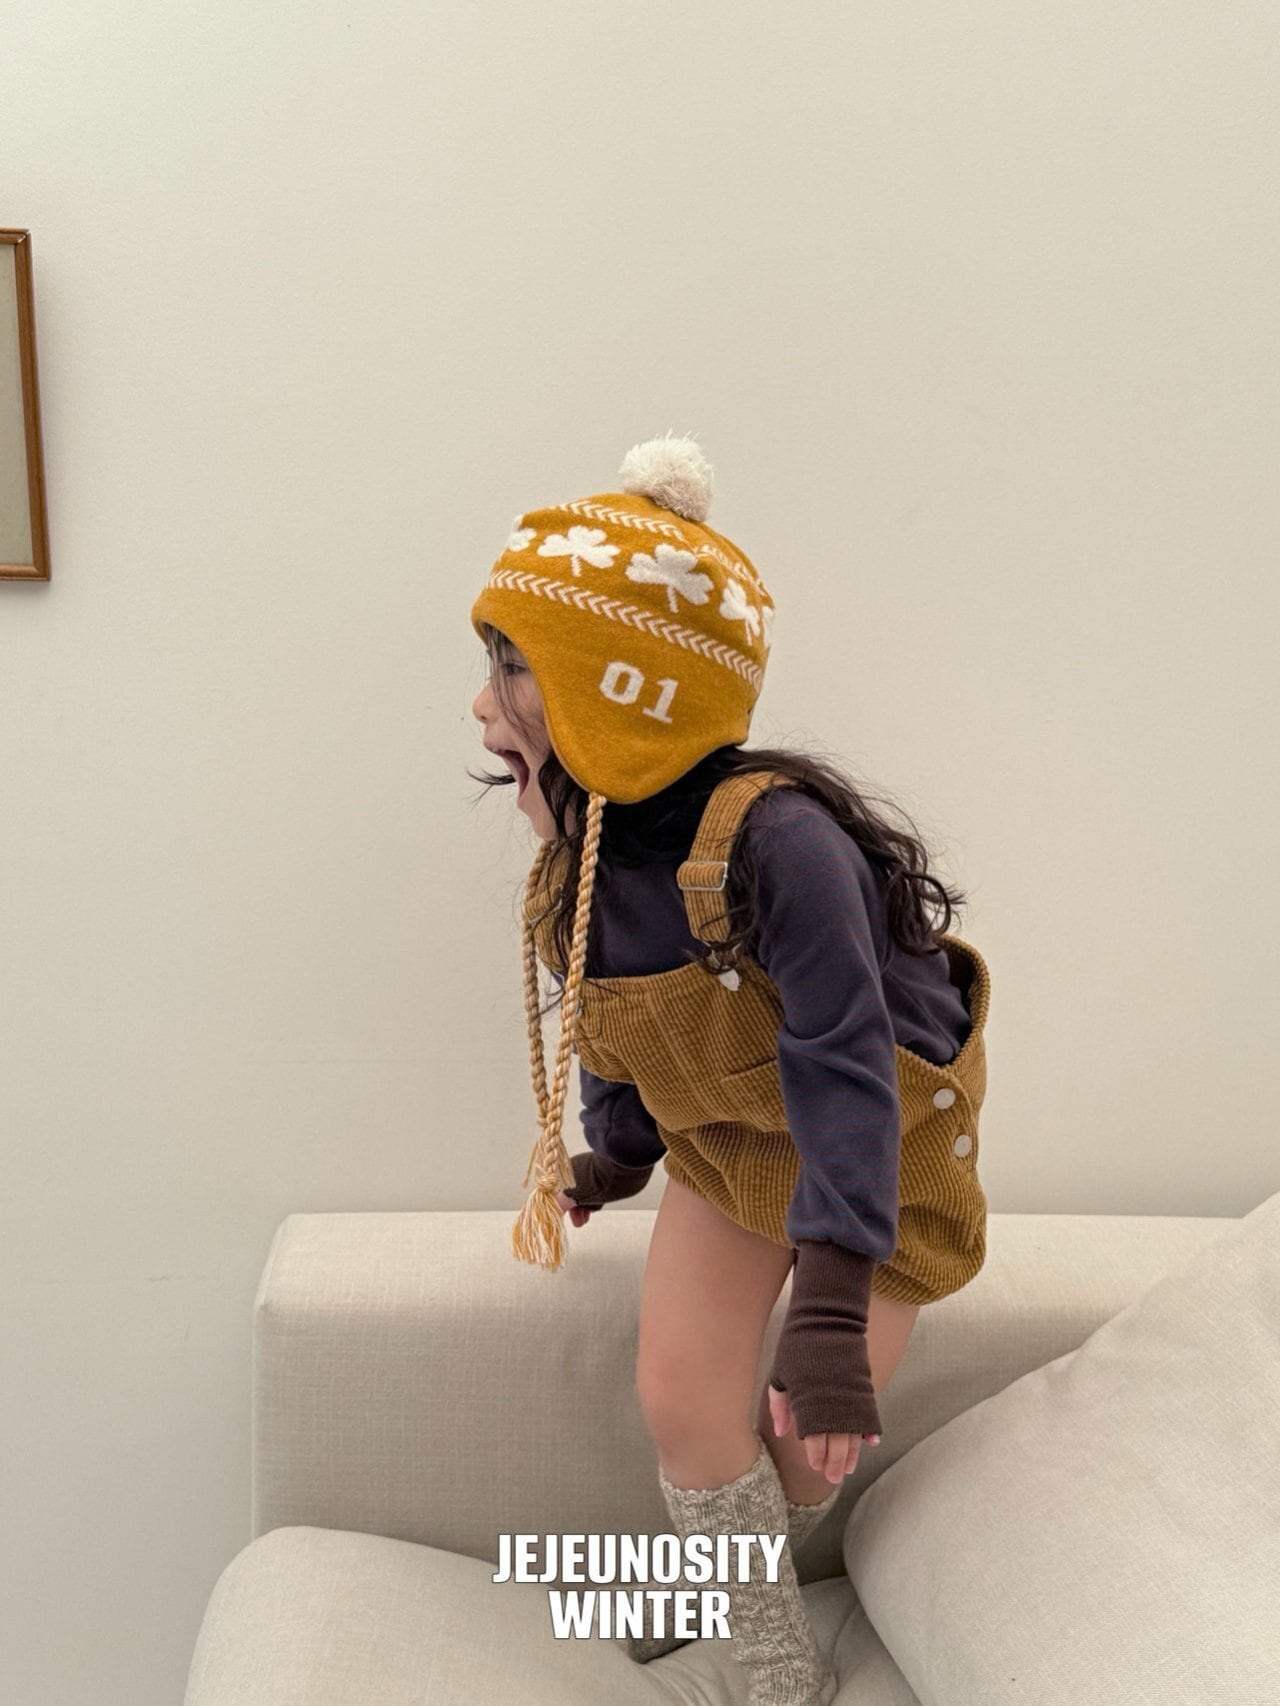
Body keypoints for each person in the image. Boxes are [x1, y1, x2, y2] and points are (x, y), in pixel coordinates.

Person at [468, 433, 991, 1706]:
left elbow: (842, 1063)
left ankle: (748, 1604)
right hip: (734, 1137)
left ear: (619, 692)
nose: (482, 707)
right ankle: (769, 1663)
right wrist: (617, 1153)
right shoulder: (575, 869)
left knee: (801, 1440)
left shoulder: (779, 845)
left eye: (512, 668)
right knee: (681, 1402)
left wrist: (828, 1309)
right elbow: (620, 1032)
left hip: (878, 1147)